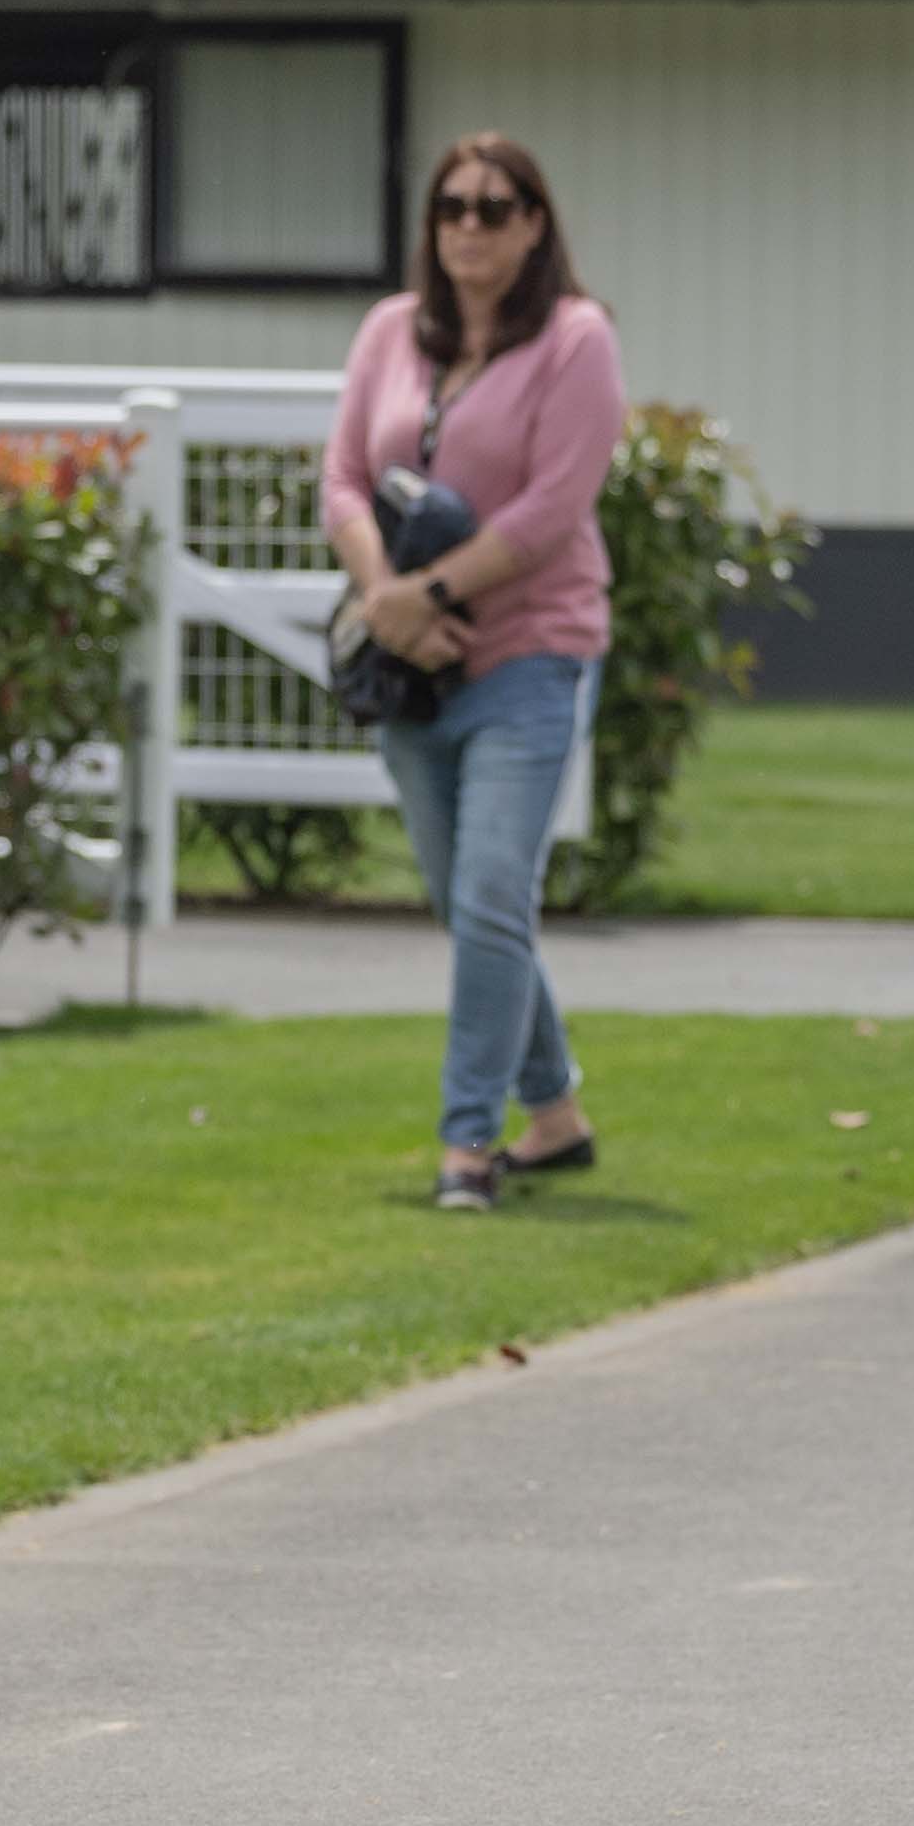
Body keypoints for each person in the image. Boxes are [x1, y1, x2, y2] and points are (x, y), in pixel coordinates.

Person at [321, 134, 621, 1210]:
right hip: (411, 666)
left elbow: (552, 507)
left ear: (535, 222)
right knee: (468, 901)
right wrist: (387, 605)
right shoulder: (389, 331)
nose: (470, 226)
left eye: (496, 207)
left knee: (493, 892)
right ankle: (554, 1114)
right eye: (452, 206)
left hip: (529, 653)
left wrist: (427, 595)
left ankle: (465, 1144)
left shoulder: (576, 340)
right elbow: (345, 479)